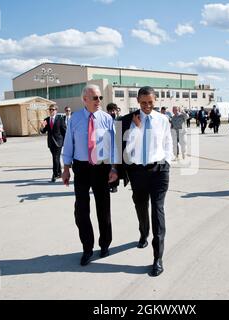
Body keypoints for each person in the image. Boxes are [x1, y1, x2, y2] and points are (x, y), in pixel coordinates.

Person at [119, 86, 173, 277]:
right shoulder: (129, 120)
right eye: (144, 103)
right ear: (138, 102)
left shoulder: (163, 119)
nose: (147, 106)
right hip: (137, 172)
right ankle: (143, 233)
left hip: (159, 171)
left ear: (155, 100)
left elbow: (167, 142)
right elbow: (126, 149)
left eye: (150, 102)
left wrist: (167, 161)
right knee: (141, 206)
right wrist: (137, 129)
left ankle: (157, 258)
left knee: (157, 211)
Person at [62, 85, 117, 266]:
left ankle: (105, 244)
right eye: (95, 98)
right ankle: (87, 248)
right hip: (82, 168)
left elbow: (114, 146)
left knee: (104, 208)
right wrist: (66, 168)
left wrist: (114, 168)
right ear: (84, 99)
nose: (98, 101)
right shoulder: (75, 119)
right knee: (81, 210)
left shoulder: (107, 118)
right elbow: (68, 143)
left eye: (100, 97)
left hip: (101, 168)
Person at [40, 105, 66, 183]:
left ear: (56, 110)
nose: (51, 111)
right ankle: (60, 173)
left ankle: (54, 175)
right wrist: (42, 126)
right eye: (50, 109)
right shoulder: (46, 120)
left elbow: (64, 131)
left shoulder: (60, 119)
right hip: (51, 142)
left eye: (53, 109)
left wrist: (66, 142)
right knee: (56, 158)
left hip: (59, 142)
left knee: (55, 158)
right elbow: (43, 131)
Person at [106, 103, 121, 193]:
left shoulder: (119, 120)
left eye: (113, 110)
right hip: (107, 146)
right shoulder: (105, 120)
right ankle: (109, 183)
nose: (112, 112)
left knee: (116, 167)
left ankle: (115, 185)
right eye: (110, 110)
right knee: (108, 167)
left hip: (117, 146)